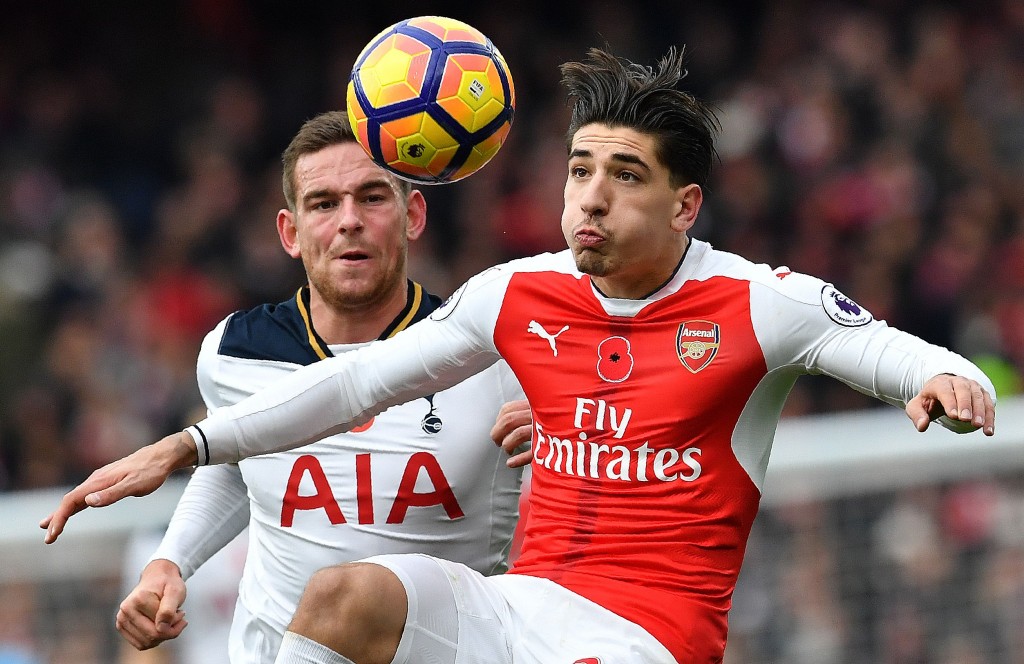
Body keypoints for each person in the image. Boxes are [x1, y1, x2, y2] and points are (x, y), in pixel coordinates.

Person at [43, 47, 997, 664]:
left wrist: (943, 380)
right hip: (516, 610)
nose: (589, 197)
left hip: (643, 639)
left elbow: (884, 347)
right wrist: (190, 448)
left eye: (625, 177)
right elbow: (353, 382)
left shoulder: (759, 304)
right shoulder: (515, 294)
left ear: (685, 205)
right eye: (580, 169)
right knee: (345, 600)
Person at [106, 111, 532, 663]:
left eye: (373, 197)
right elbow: (239, 466)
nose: (349, 220)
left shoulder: (490, 356)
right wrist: (171, 560)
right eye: (325, 203)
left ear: (414, 215)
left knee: (349, 591)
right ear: (291, 232)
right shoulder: (234, 352)